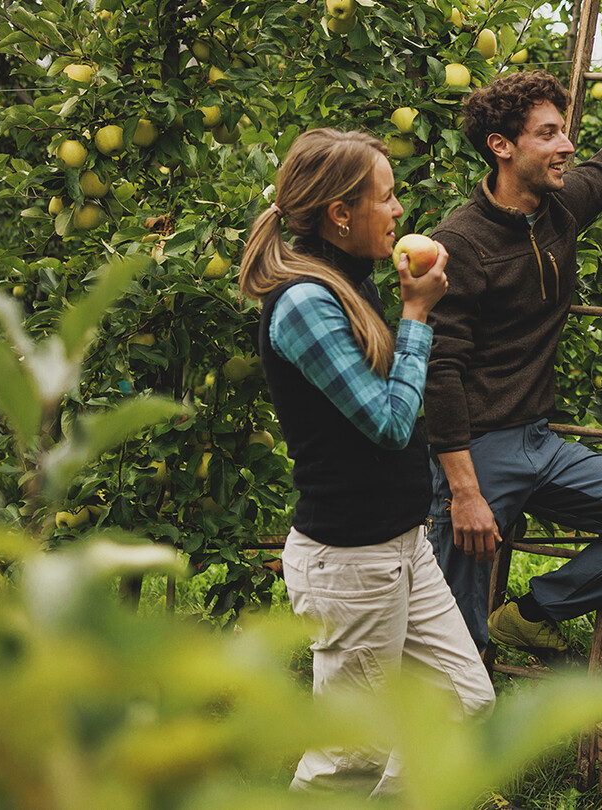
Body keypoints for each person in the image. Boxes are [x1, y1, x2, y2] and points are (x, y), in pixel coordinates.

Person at [240, 128, 494, 797]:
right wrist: (417, 317)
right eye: (387, 198)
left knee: (463, 700)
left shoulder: (347, 282)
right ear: (340, 214)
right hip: (351, 562)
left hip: (400, 545)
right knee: (348, 756)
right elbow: (386, 424)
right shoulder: (303, 302)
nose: (400, 212)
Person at [424, 70, 602, 663]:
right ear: (502, 146)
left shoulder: (559, 205)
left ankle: (532, 613)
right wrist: (464, 493)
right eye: (549, 134)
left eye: (565, 131)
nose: (567, 146)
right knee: (454, 638)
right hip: (474, 455)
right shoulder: (461, 244)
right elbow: (438, 373)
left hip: (539, 444)